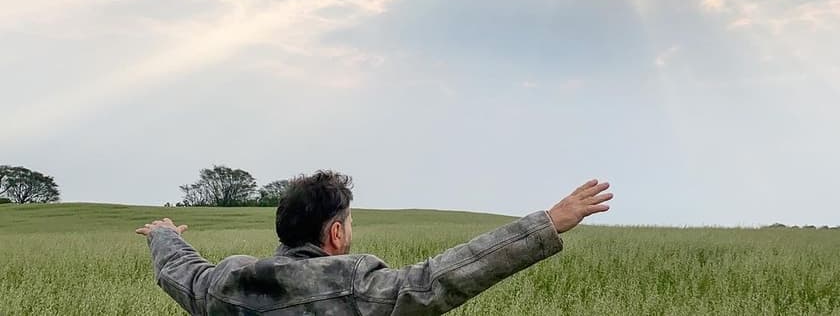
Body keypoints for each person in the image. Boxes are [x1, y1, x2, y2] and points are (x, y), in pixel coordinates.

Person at [136, 171, 612, 315]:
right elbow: (439, 279)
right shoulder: (353, 286)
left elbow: (181, 271)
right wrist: (546, 223)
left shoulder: (226, 282)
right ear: (336, 232)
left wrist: (163, 235)